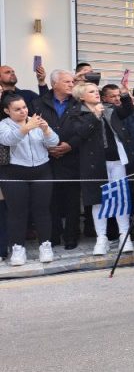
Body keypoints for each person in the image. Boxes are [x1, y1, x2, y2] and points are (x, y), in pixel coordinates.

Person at [66, 82, 133, 256]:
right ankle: (101, 238)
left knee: (121, 199)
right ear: (81, 96)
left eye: (97, 91)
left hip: (117, 160)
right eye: (91, 91)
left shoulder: (109, 108)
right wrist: (94, 116)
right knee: (98, 201)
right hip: (93, 163)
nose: (96, 93)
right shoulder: (76, 113)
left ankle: (124, 235)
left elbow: (127, 111)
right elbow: (80, 133)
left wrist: (125, 94)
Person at [0, 93, 58, 265]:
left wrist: (46, 129)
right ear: (6, 111)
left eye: (24, 107)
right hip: (14, 172)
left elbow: (54, 143)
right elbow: (8, 140)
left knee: (42, 210)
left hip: (42, 170)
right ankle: (18, 248)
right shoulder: (3, 125)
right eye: (17, 109)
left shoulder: (37, 122)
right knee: (17, 212)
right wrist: (27, 127)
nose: (23, 112)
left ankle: (45, 246)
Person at [32, 70, 81, 250]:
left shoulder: (79, 103)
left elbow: (84, 130)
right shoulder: (38, 103)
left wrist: (70, 145)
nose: (71, 84)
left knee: (72, 201)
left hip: (72, 157)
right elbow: (32, 128)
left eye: (72, 82)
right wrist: (48, 147)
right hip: (47, 159)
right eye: (67, 82)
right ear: (55, 84)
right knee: (50, 200)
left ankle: (71, 236)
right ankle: (53, 236)